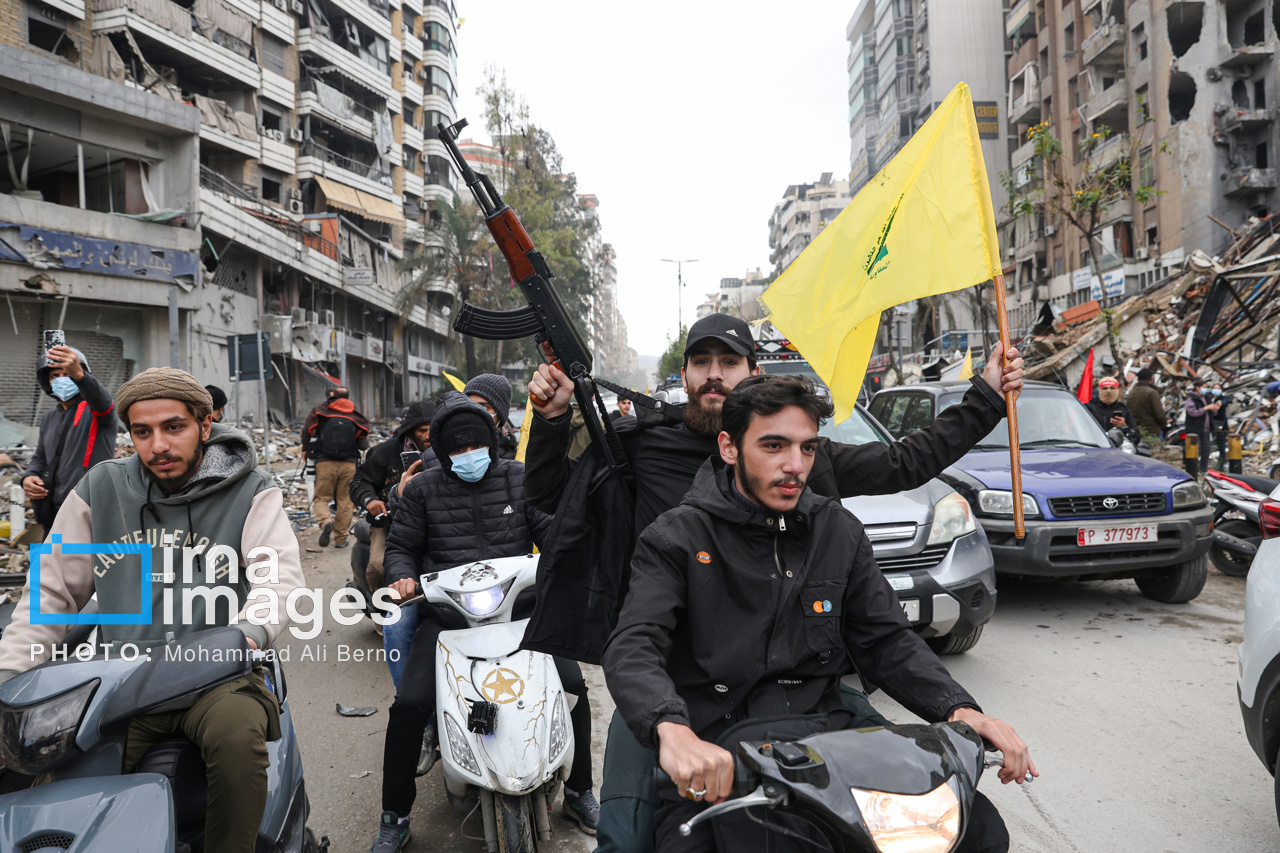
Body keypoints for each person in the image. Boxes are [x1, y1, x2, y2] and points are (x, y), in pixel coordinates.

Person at [524, 312, 1026, 853]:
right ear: (729, 446)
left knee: (957, 824)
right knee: (628, 842)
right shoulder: (654, 484)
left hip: (810, 713)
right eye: (702, 362)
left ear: (753, 371)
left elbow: (885, 635)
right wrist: (670, 728)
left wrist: (959, 710)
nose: (793, 466)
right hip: (686, 701)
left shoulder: (833, 524)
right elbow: (630, 631)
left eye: (804, 448)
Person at [0, 368, 304, 853]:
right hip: (123, 677)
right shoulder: (101, 487)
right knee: (59, 771)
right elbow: (50, 592)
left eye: (173, 427)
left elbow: (278, 579)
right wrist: (12, 671)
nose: (158, 444)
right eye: (142, 432)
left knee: (237, 742)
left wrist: (249, 632)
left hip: (217, 674)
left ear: (204, 425)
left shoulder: (252, 489)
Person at [370, 393, 599, 851]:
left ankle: (580, 791)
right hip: (448, 618)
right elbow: (402, 548)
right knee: (410, 705)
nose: (467, 456)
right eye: (456, 449)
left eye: (474, 445)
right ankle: (394, 814)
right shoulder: (421, 490)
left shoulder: (520, 480)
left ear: (493, 442)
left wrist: (570, 551)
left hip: (522, 611)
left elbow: (548, 530)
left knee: (573, 690)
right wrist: (401, 579)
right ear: (440, 448)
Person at [349, 400, 437, 655]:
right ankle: (382, 611)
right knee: (378, 565)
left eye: (433, 428)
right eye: (422, 430)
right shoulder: (385, 453)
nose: (428, 435)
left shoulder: (447, 451)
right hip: (389, 523)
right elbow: (359, 482)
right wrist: (371, 500)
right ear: (410, 430)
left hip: (433, 522)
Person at [22, 344, 118, 531]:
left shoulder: (96, 410)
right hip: (52, 512)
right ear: (47, 382)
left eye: (66, 374)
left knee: (85, 559)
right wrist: (29, 476)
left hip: (87, 510)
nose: (61, 379)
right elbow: (40, 457)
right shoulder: (49, 417)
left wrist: (81, 376)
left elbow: (104, 403)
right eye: (54, 376)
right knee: (48, 560)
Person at [302, 386, 370, 549]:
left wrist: (307, 451)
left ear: (330, 397)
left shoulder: (320, 411)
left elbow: (306, 433)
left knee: (321, 498)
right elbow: (363, 445)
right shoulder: (356, 415)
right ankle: (340, 538)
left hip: (324, 463)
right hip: (348, 465)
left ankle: (326, 521)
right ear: (348, 397)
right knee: (346, 501)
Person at [465, 373, 519, 459]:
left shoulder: (517, 460)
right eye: (469, 405)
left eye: (484, 407)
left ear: (500, 414)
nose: (475, 412)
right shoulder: (446, 452)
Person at [1183, 379, 1218, 478]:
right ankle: (1192, 471)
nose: (1205, 389)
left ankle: (1203, 470)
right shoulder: (1192, 399)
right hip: (1195, 430)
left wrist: (1214, 409)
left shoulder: (1206, 398)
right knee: (1195, 452)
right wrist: (1206, 408)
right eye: (1204, 387)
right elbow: (1193, 413)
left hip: (1206, 429)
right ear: (1197, 387)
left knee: (1206, 451)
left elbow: (1212, 412)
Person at [1126, 368, 1167, 443]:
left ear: (1138, 379)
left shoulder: (1131, 394)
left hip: (1136, 433)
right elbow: (1159, 414)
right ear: (1151, 379)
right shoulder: (1152, 393)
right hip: (1152, 432)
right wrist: (1164, 424)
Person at [1210, 383, 1231, 469]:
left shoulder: (1223, 399)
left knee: (1221, 445)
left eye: (1218, 388)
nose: (1216, 390)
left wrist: (1218, 404)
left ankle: (1220, 465)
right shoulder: (1208, 398)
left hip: (1221, 426)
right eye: (1214, 388)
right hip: (1210, 425)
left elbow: (1223, 403)